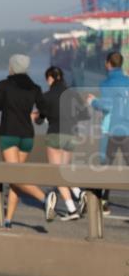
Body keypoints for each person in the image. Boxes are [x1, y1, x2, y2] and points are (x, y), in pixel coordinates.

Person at [0, 53, 54, 227]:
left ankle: (44, 199)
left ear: (12, 67)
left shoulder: (4, 85)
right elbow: (44, 110)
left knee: (14, 176)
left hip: (9, 133)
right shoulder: (34, 88)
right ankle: (8, 219)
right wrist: (37, 116)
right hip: (27, 136)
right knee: (15, 180)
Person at [37, 66, 88, 220]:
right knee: (65, 171)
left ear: (50, 78)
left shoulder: (46, 96)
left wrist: (38, 116)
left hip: (55, 135)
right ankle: (79, 193)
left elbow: (40, 119)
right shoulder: (73, 94)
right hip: (72, 135)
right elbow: (85, 115)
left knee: (57, 173)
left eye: (47, 79)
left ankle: (72, 210)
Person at [87, 51, 129, 216]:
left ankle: (104, 203)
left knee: (105, 167)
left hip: (110, 129)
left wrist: (92, 101)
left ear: (108, 64)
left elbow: (107, 106)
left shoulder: (107, 83)